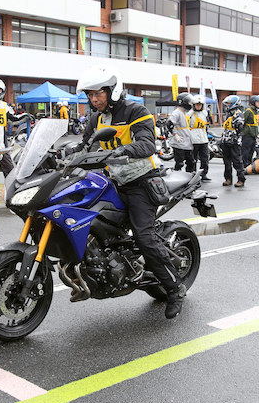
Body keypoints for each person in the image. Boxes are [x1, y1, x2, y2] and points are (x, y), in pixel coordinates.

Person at [65, 66, 186, 319]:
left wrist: (124, 151)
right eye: (89, 95)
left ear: (112, 91)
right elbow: (85, 144)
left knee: (144, 237)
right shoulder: (96, 118)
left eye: (98, 94)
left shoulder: (135, 111)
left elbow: (147, 143)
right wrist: (64, 154)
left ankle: (175, 288)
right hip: (112, 182)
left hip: (141, 183)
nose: (94, 99)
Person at [0, 78, 30, 177]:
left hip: (2, 145)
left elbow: (13, 119)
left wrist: (25, 116)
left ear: (2, 91)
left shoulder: (5, 106)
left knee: (10, 172)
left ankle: (12, 190)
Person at [220, 95, 246, 188]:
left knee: (237, 161)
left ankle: (241, 179)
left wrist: (235, 139)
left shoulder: (238, 114)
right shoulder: (228, 113)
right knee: (227, 162)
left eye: (230, 103)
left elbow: (240, 128)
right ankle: (228, 179)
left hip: (234, 142)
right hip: (225, 141)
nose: (228, 105)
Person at [168, 92, 195, 172]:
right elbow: (169, 124)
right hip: (179, 142)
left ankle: (189, 176)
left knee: (191, 162)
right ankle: (176, 175)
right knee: (179, 163)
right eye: (189, 102)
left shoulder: (186, 112)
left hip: (187, 141)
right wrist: (175, 134)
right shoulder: (177, 112)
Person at [189, 94, 212, 181]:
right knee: (193, 158)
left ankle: (204, 174)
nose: (198, 106)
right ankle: (193, 174)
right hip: (193, 138)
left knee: (205, 158)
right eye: (196, 105)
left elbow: (207, 124)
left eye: (200, 105)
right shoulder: (190, 114)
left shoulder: (205, 113)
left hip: (203, 138)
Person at [241, 95, 259, 167]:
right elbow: (242, 121)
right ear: (253, 102)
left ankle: (249, 166)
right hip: (247, 134)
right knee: (245, 152)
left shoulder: (256, 111)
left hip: (254, 135)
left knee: (251, 151)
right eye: (258, 102)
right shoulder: (248, 111)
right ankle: (244, 166)